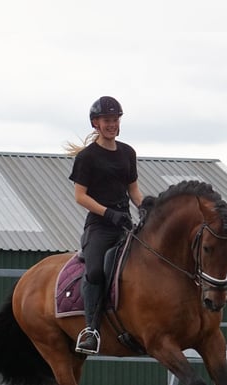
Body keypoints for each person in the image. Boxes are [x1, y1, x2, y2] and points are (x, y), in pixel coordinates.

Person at [68, 96, 144, 354]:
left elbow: (134, 191)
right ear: (95, 124)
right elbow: (80, 196)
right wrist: (108, 213)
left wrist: (145, 208)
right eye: (107, 121)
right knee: (96, 272)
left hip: (125, 223)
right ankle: (91, 330)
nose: (112, 124)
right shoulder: (87, 158)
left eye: (115, 120)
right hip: (100, 227)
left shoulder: (128, 153)